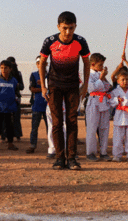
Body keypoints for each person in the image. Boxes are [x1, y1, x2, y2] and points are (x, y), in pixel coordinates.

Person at [39, 11, 90, 170]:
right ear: (58, 27)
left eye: (71, 28)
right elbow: (42, 63)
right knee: (56, 122)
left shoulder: (80, 41)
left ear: (75, 27)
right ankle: (59, 158)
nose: (68, 32)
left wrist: (85, 85)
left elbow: (87, 63)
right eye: (65, 28)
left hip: (73, 86)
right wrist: (43, 86)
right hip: (54, 86)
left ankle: (72, 159)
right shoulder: (50, 41)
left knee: (72, 121)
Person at [85, 53, 112, 162]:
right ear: (93, 64)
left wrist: (103, 78)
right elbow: (92, 88)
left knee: (104, 128)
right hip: (93, 102)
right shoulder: (88, 74)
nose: (102, 67)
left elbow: (108, 87)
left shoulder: (101, 75)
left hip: (103, 102)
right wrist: (101, 78)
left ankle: (103, 152)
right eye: (100, 65)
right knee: (92, 128)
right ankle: (90, 153)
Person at [0, 60, 19, 150]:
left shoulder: (13, 80)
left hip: (10, 107)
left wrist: (16, 99)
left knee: (10, 126)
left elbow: (16, 91)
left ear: (10, 69)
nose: (3, 70)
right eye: (2, 68)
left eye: (6, 68)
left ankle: (10, 144)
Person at [26, 56, 48, 154]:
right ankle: (32, 145)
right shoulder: (34, 75)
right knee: (34, 127)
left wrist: (44, 85)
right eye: (39, 63)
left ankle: (53, 146)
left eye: (43, 63)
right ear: (37, 64)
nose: (41, 65)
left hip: (49, 106)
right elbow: (32, 89)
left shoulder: (51, 75)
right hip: (37, 105)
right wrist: (44, 88)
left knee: (51, 128)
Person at [7, 56, 24, 141]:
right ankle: (5, 135)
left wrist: (16, 85)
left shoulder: (18, 73)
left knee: (16, 117)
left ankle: (17, 135)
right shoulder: (4, 74)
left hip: (16, 98)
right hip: (6, 98)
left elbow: (22, 86)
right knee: (6, 117)